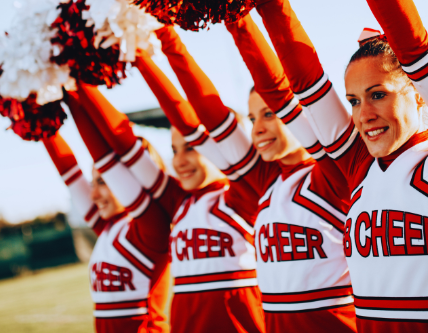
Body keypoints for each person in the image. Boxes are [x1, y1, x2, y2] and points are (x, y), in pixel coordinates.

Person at [254, 0, 428, 332]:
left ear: (420, 94)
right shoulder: (358, 167)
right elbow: (300, 81)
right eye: (353, 101)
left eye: (378, 95)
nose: (363, 114)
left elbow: (418, 49)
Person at [152, 24, 356, 332]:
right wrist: (161, 39)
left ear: (297, 110)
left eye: (270, 113)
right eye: (252, 118)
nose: (257, 129)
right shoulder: (264, 182)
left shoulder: (335, 173)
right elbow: (198, 115)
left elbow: (278, 87)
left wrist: (239, 18)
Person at [75, 82, 266, 333]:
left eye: (191, 147)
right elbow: (121, 145)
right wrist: (76, 89)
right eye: (174, 150)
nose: (179, 161)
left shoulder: (246, 196)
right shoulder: (176, 201)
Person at [42, 102, 171, 333]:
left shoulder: (151, 230)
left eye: (103, 181)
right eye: (93, 183)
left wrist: (75, 97)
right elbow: (68, 171)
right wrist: (39, 121)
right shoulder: (107, 227)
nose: (93, 194)